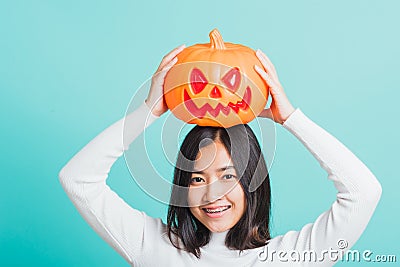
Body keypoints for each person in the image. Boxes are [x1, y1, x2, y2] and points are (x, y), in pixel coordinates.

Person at [58, 45, 382, 266]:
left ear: (252, 181)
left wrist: (290, 118)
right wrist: (147, 112)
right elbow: (77, 180)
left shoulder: (290, 256)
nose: (213, 194)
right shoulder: (151, 246)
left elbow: (363, 193)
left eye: (228, 176)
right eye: (197, 178)